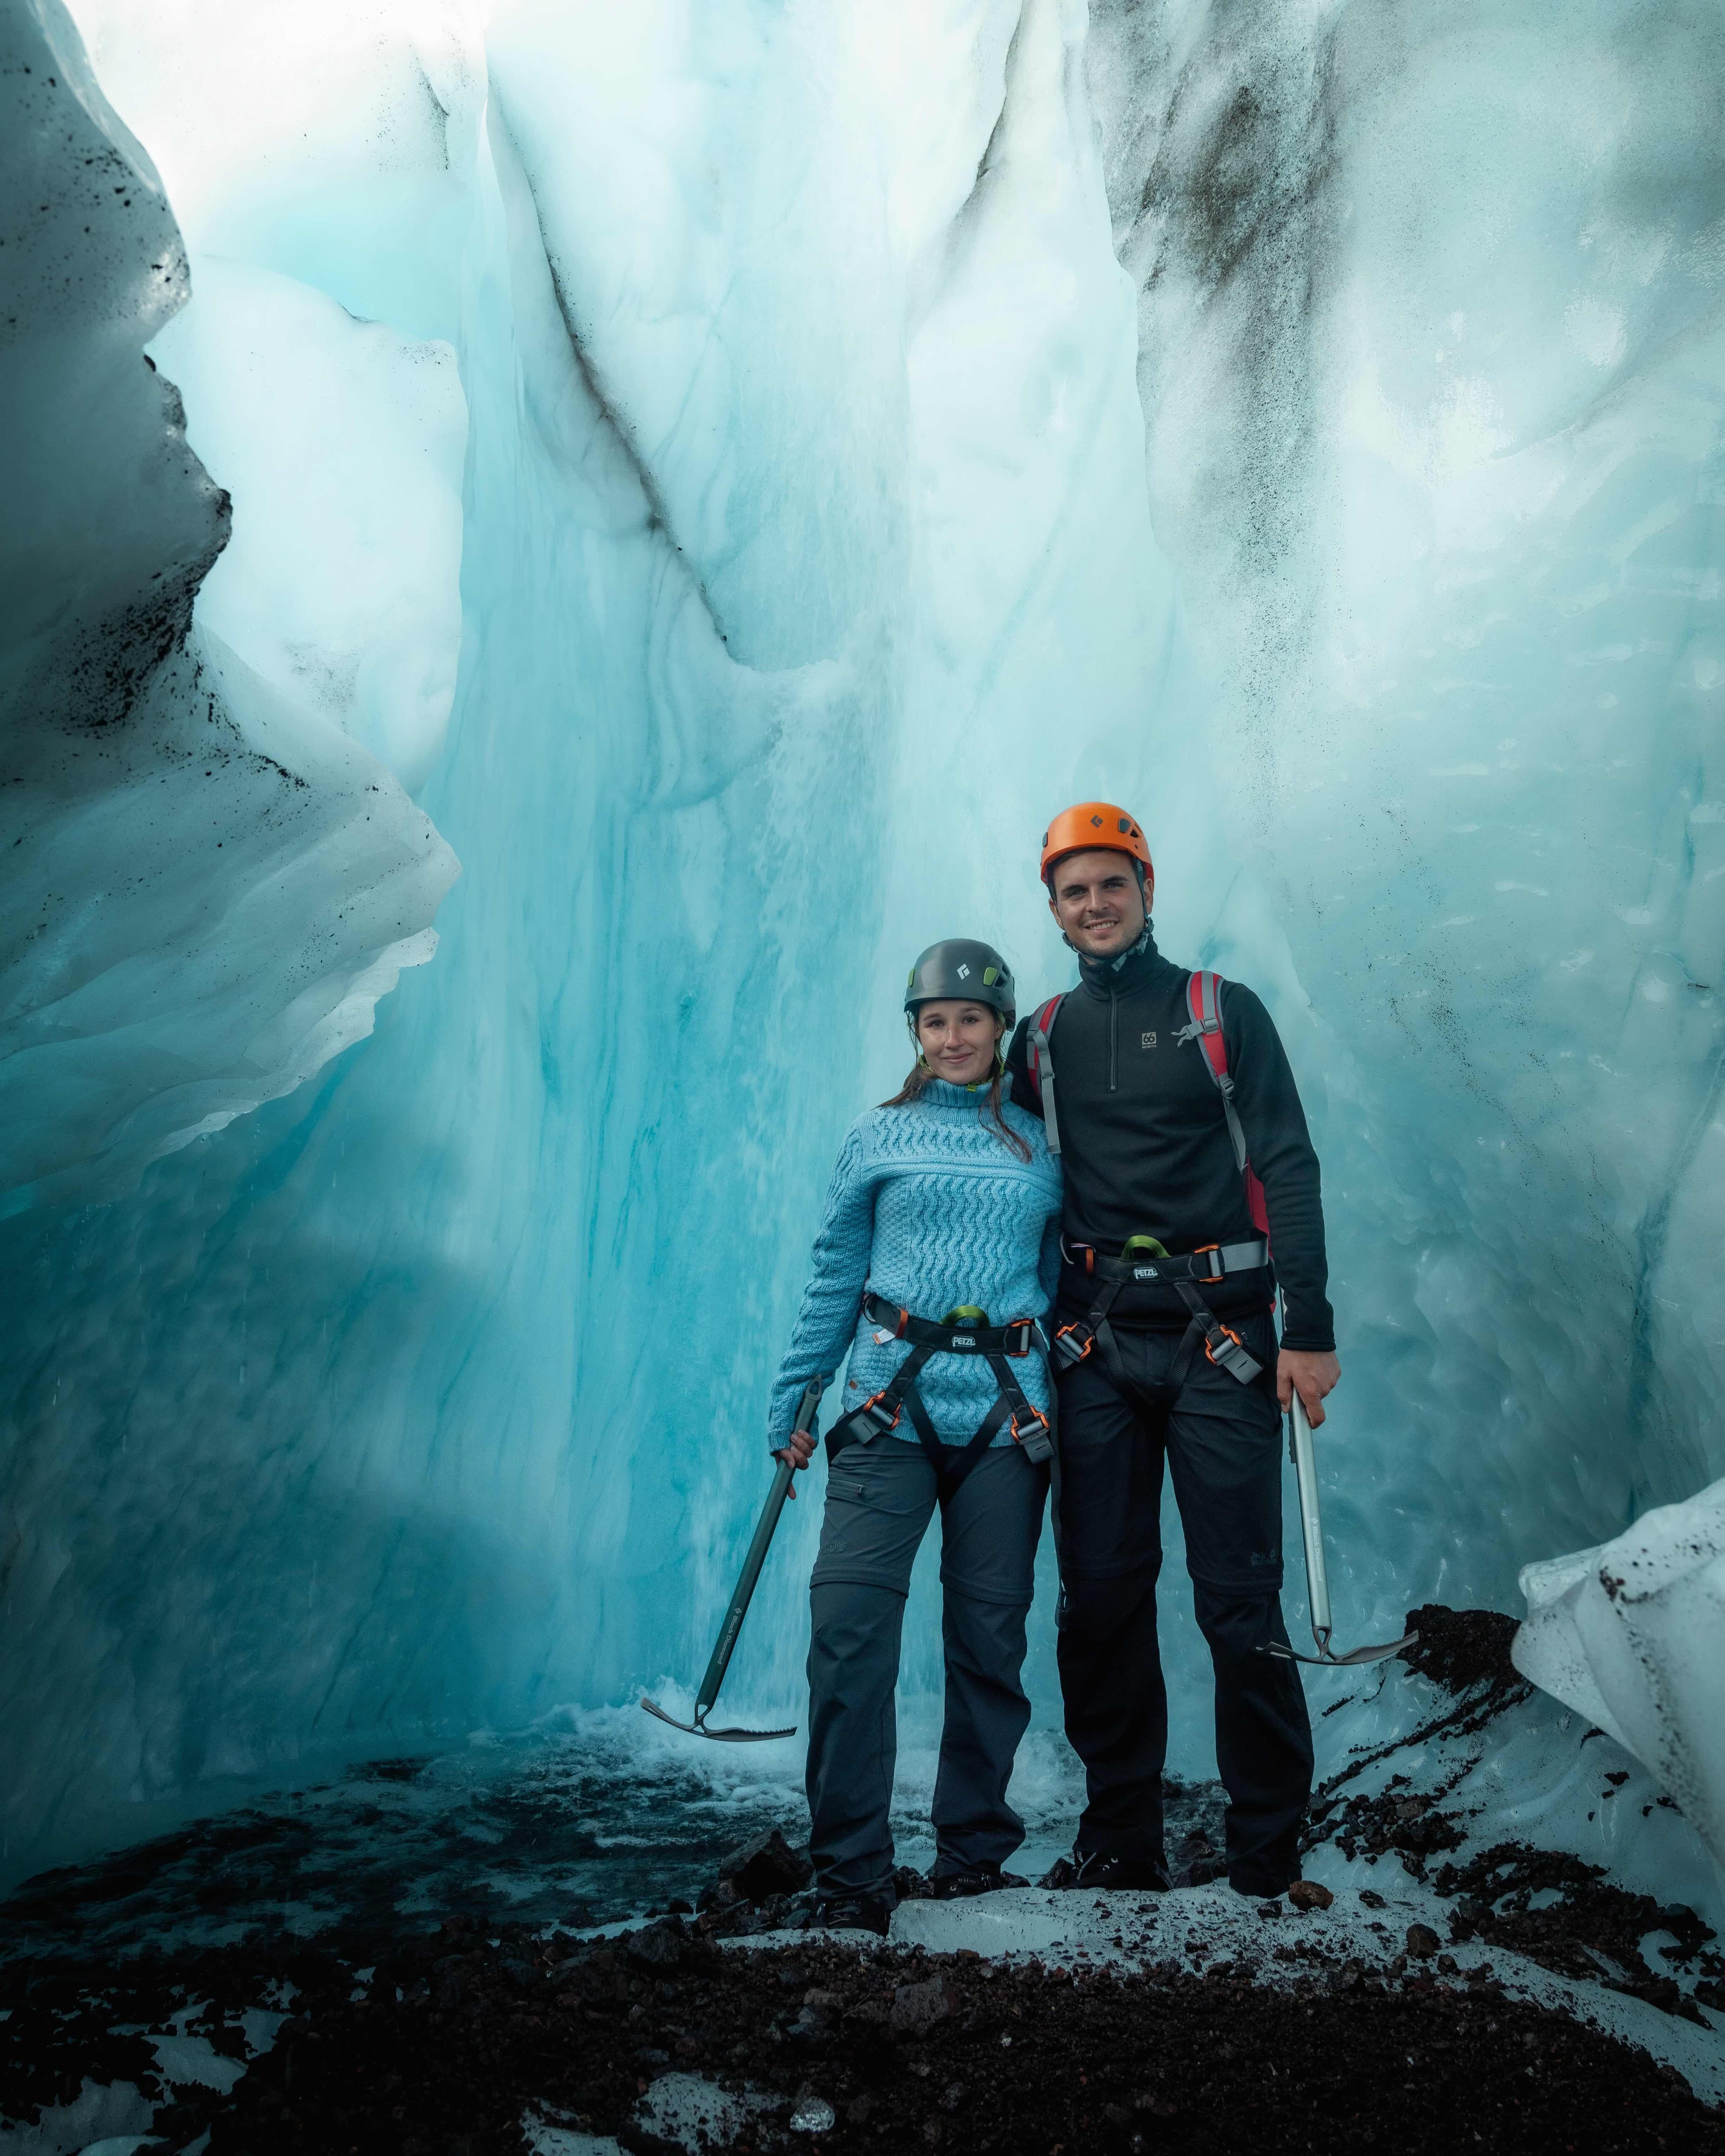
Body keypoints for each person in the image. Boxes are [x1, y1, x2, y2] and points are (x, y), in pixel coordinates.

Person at [1004, 802, 1337, 1899]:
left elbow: (1285, 1164)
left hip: (1225, 1341)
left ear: (1148, 889)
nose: (1094, 905)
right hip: (1094, 1345)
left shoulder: (1218, 1013)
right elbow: (1003, 1178)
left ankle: (1266, 1845)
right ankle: (1121, 1840)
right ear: (1053, 912)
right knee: (1099, 1597)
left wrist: (1311, 1331)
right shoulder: (1040, 1037)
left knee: (1238, 1598)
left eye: (1112, 884)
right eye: (1073, 891)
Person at [767, 940, 1063, 1936]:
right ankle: (851, 1876)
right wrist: (795, 1400)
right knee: (848, 1633)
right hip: (886, 1406)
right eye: (934, 1022)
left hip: (1003, 1414)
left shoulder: (1041, 1148)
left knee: (989, 1641)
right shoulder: (876, 1137)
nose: (953, 1037)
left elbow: (1066, 1285)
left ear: (1001, 1027)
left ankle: (972, 1859)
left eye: (971, 1020)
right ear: (915, 1031)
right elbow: (833, 1276)